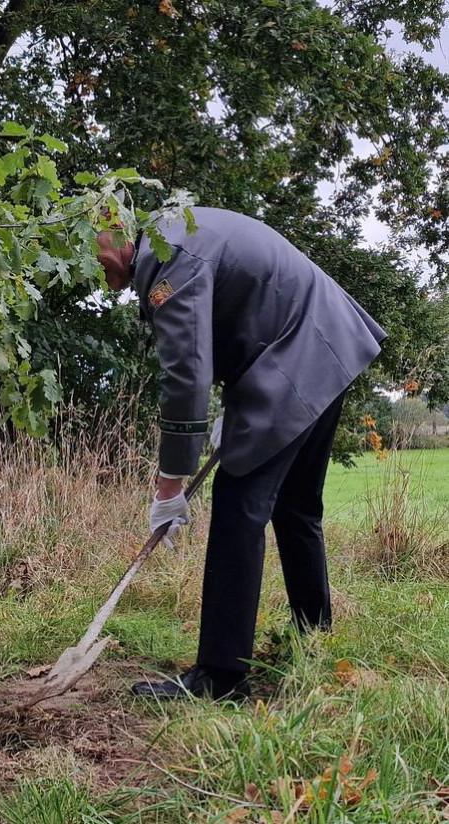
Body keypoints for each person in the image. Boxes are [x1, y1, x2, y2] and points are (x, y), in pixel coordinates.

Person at [96, 207, 386, 701]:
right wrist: (237, 405)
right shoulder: (178, 231)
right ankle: (312, 639)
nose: (97, 274)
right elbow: (241, 322)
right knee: (295, 506)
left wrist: (171, 483)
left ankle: (220, 677)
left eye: (95, 254)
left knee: (238, 510)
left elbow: (186, 374)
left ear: (118, 233)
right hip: (328, 343)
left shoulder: (170, 261)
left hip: (298, 352)